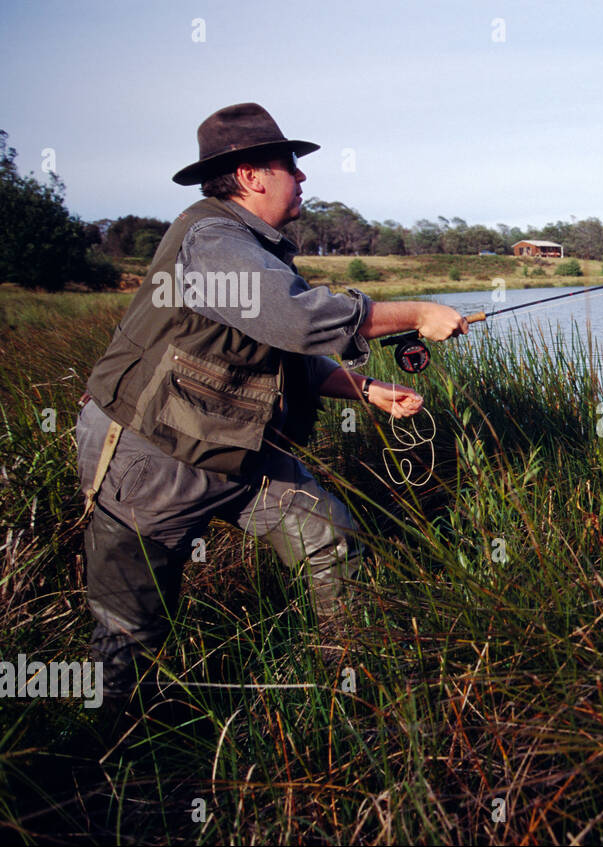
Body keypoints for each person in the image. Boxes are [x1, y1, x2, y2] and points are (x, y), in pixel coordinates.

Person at [75, 102, 466, 710]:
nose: (303, 178)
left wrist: (364, 389)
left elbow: (276, 346)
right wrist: (416, 313)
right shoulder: (212, 239)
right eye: (292, 166)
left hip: (239, 449)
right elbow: (294, 318)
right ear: (254, 175)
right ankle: (111, 759)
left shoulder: (252, 246)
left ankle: (353, 685)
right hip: (150, 456)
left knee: (329, 535)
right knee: (131, 628)